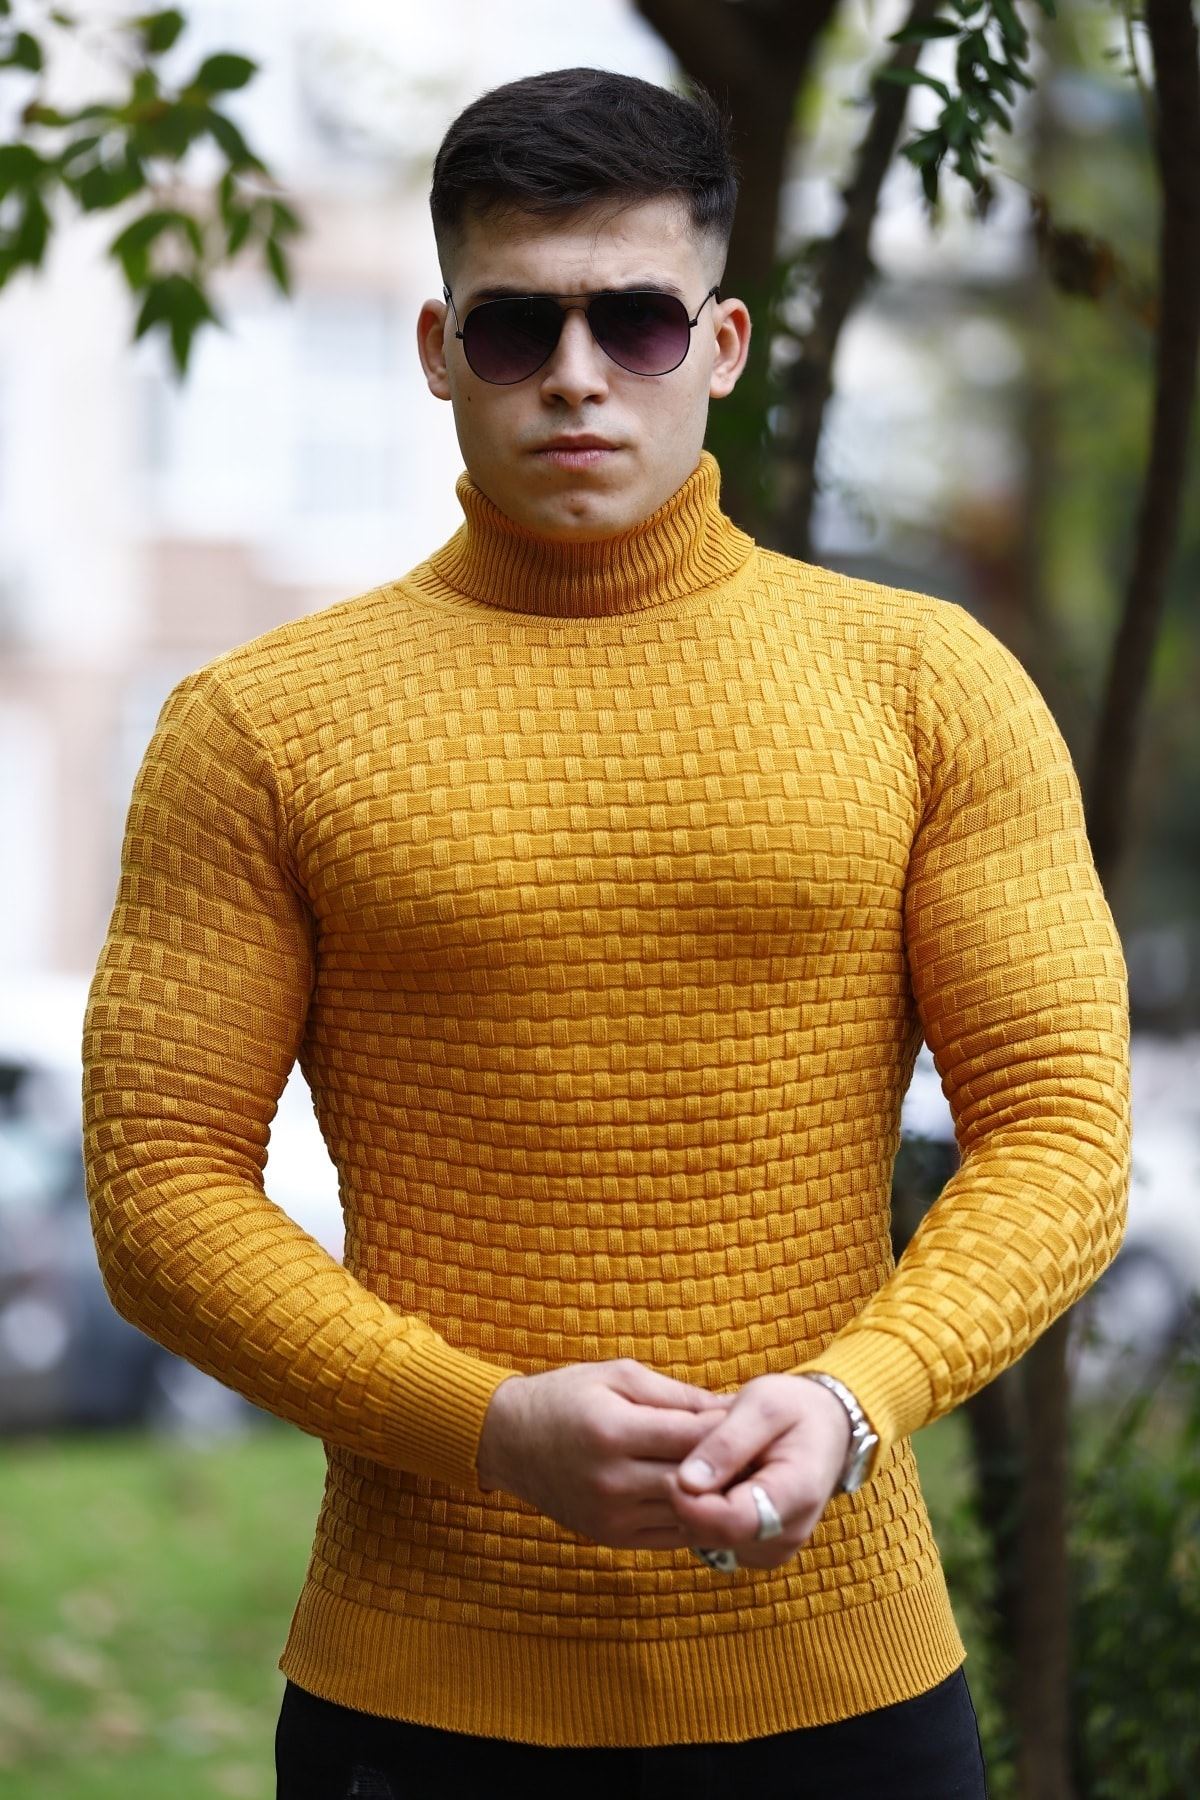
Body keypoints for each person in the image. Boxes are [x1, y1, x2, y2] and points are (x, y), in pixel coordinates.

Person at [81, 65, 1132, 1800]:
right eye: (517, 327)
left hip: (845, 1682)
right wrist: (483, 1429)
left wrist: (860, 1394)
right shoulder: (258, 727)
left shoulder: (927, 684)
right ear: (438, 348)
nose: (576, 374)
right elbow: (158, 1195)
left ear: (720, 345)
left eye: (635, 322)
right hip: (418, 1695)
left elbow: (1066, 1135)